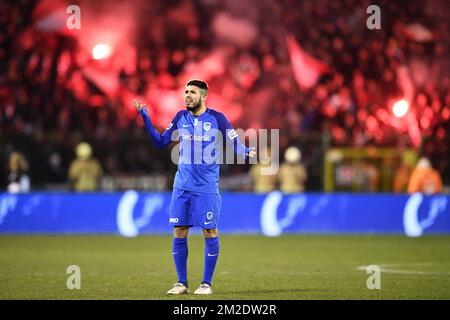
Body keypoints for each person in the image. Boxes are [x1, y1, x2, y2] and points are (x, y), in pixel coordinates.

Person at [134, 80, 256, 295]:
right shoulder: (180, 117)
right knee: (179, 231)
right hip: (182, 186)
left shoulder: (217, 118)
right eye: (186, 92)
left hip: (207, 187)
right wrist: (146, 118)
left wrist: (245, 150)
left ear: (204, 96)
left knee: (209, 230)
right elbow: (160, 142)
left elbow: (233, 140)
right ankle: (181, 283)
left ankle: (206, 284)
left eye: (192, 92)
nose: (187, 96)